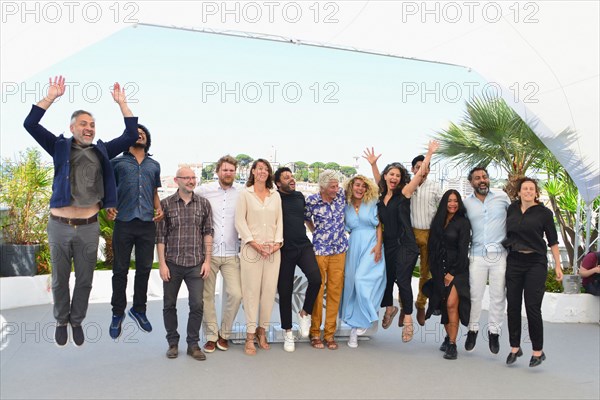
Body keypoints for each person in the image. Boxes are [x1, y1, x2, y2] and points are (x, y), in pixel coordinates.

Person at [23, 75, 139, 347]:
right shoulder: (59, 146)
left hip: (88, 227)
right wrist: (50, 97)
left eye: (93, 125)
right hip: (59, 225)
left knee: (85, 280)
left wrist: (123, 103)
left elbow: (131, 134)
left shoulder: (102, 151)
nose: (89, 128)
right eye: (84, 124)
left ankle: (77, 321)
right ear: (72, 126)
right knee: (60, 279)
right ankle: (61, 320)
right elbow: (30, 123)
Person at [366, 140, 438, 343]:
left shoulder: (405, 193)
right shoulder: (381, 197)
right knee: (387, 279)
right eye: (391, 174)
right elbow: (379, 180)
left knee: (403, 280)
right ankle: (390, 307)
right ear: (387, 176)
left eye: (398, 175)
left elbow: (419, 175)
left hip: (406, 244)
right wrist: (373, 164)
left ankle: (408, 321)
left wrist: (429, 154)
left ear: (401, 179)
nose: (394, 178)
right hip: (388, 244)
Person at [108, 124, 163, 339]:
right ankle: (117, 313)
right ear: (128, 138)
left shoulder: (154, 165)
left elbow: (154, 192)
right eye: (135, 133)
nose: (139, 135)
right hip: (123, 221)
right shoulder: (117, 162)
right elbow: (108, 189)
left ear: (147, 139)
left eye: (143, 134)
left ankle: (139, 310)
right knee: (120, 270)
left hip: (147, 223)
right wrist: (108, 205)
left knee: (144, 269)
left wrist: (159, 209)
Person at [503, 177, 563, 367]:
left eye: (531, 189)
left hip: (535, 262)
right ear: (518, 192)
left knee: (532, 307)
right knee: (512, 305)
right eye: (524, 188)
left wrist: (558, 265)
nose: (528, 191)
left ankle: (538, 351)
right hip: (514, 260)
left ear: (536, 193)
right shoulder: (511, 209)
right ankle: (515, 347)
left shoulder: (544, 213)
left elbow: (553, 240)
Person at [156, 166, 213, 361]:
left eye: (193, 177)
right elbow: (161, 237)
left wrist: (207, 261)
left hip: (196, 263)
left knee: (197, 304)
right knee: (169, 304)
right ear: (176, 180)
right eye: (186, 178)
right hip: (172, 263)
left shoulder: (204, 204)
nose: (191, 181)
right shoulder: (165, 205)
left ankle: (193, 344)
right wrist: (162, 264)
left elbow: (208, 233)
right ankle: (173, 343)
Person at [195, 155, 243, 353]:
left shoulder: (241, 193)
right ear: (218, 172)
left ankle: (225, 334)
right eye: (225, 170)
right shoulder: (204, 191)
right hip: (209, 253)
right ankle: (211, 336)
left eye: (231, 170)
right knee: (207, 296)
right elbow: (187, 196)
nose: (228, 173)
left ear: (235, 172)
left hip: (232, 252)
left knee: (236, 294)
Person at [235, 159, 283, 356]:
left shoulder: (275, 195)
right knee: (251, 292)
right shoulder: (244, 194)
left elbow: (280, 221)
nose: (262, 172)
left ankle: (262, 332)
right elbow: (240, 221)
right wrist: (254, 243)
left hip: (273, 250)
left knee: (269, 292)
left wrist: (276, 244)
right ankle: (249, 335)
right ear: (253, 171)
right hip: (251, 250)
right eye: (259, 168)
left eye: (266, 169)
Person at [463, 167, 510, 355]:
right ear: (471, 182)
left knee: (498, 296)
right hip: (476, 254)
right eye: (477, 178)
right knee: (475, 295)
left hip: (500, 255)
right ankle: (472, 330)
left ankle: (494, 333)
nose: (482, 180)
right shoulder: (466, 203)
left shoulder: (502, 197)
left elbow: (517, 216)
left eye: (484, 177)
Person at [274, 167, 322, 352]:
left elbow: (305, 218)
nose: (291, 179)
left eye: (292, 176)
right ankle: (288, 332)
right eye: (286, 177)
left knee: (316, 279)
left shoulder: (300, 196)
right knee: (285, 292)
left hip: (303, 246)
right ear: (278, 183)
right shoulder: (274, 198)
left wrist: (316, 232)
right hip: (284, 249)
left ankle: (304, 313)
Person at [338, 175, 386, 349]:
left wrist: (379, 245)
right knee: (351, 286)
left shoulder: (372, 202)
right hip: (353, 245)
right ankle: (353, 331)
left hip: (371, 244)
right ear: (351, 187)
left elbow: (379, 225)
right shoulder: (345, 206)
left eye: (363, 186)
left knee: (361, 280)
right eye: (357, 185)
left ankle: (367, 317)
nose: (360, 188)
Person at [305, 170, 348, 350]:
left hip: (339, 250)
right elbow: (306, 219)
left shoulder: (341, 197)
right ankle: (315, 332)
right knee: (318, 289)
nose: (336, 189)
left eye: (337, 186)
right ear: (322, 187)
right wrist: (316, 231)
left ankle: (329, 334)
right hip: (320, 250)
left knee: (335, 291)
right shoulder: (312, 201)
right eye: (332, 186)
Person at [425, 190, 471, 360]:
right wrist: (434, 270)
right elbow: (432, 246)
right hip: (438, 269)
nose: (452, 204)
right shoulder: (437, 221)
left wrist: (452, 273)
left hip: (456, 270)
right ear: (444, 203)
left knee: (452, 304)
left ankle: (452, 344)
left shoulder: (463, 223)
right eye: (449, 201)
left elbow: (463, 250)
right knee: (444, 305)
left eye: (456, 201)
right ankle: (448, 336)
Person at [409, 155, 443, 326]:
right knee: (405, 272)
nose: (421, 170)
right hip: (410, 234)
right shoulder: (408, 186)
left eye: (425, 167)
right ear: (412, 169)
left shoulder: (435, 187)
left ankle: (421, 304)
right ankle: (404, 307)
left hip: (429, 235)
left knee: (425, 272)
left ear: (429, 170)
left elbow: (445, 207)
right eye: (418, 167)